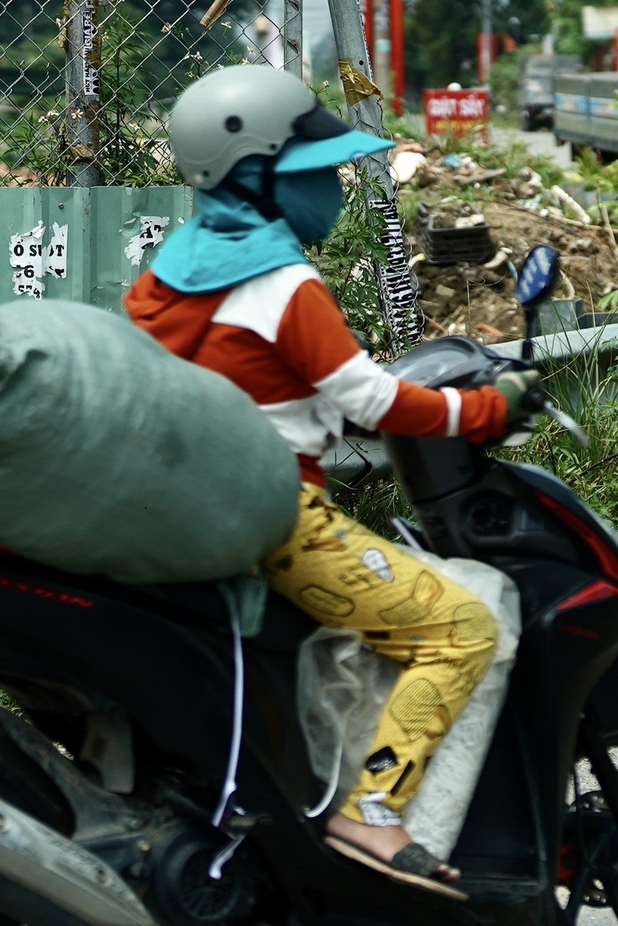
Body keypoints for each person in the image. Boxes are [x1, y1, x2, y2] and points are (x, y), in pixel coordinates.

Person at [124, 65, 538, 902]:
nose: (335, 189)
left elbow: (240, 380)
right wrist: (483, 411)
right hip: (278, 517)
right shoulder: (284, 280)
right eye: (316, 173)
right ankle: (373, 812)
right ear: (253, 174)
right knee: (459, 627)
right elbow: (371, 397)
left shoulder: (170, 271)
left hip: (174, 505)